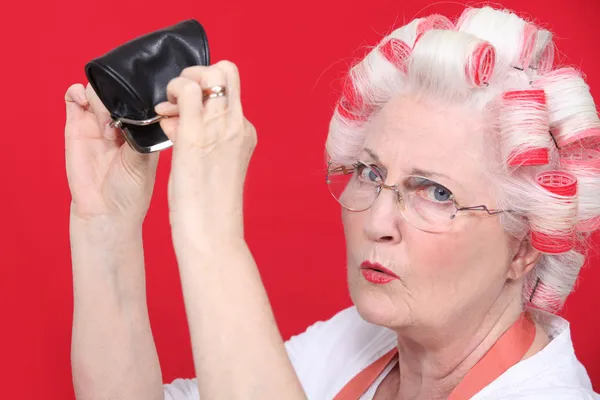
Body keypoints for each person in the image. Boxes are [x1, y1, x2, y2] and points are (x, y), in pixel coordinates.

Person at [64, 4, 600, 400]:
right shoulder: (359, 344)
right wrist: (104, 221)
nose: (379, 220)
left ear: (525, 244)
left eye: (437, 193)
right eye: (370, 172)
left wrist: (211, 232)